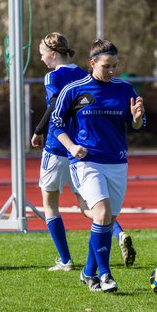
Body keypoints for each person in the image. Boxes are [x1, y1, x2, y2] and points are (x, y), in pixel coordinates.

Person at [32, 33, 135, 275]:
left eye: (42, 54)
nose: (41, 59)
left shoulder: (53, 76)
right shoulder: (83, 73)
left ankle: (66, 260)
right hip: (86, 151)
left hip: (60, 148)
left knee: (50, 204)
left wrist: (39, 130)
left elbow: (55, 105)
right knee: (91, 204)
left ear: (53, 54)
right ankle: (118, 234)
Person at [50, 39, 146, 292]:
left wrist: (136, 119)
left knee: (108, 219)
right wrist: (71, 147)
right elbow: (56, 124)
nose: (112, 71)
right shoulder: (73, 90)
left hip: (117, 162)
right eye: (107, 66)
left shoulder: (125, 89)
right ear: (92, 63)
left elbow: (136, 125)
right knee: (102, 213)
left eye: (115, 66)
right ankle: (105, 276)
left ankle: (88, 272)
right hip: (86, 162)